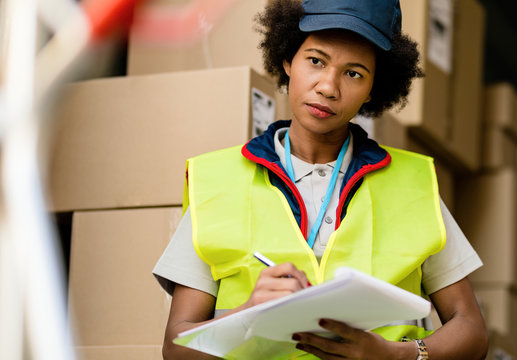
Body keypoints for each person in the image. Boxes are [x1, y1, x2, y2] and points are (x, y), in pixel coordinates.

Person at [153, 0, 489, 359]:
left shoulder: (414, 185)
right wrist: (245, 317)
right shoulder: (218, 180)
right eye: (316, 60)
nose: (328, 87)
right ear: (287, 59)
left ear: (374, 88)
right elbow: (175, 348)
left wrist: (395, 355)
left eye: (354, 73)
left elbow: (471, 330)